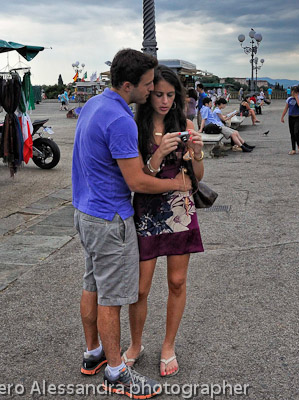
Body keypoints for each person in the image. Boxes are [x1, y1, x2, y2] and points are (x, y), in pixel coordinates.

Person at [73, 49, 190, 399]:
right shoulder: (122, 121)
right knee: (113, 297)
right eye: (148, 83)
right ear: (128, 85)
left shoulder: (95, 104)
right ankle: (116, 372)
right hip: (110, 218)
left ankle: (93, 352)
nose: (153, 88)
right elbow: (138, 182)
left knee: (92, 283)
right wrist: (176, 184)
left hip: (85, 211)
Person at [122, 65, 204, 378]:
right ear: (148, 94)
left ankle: (168, 345)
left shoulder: (185, 123)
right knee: (140, 288)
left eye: (171, 95)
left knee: (177, 281)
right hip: (147, 210)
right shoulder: (135, 127)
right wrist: (158, 156)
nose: (165, 101)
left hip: (181, 209)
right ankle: (136, 344)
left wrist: (196, 153)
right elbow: (137, 177)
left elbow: (198, 178)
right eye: (158, 94)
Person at [280, 85, 299, 155]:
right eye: (293, 92)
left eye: (295, 92)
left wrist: (297, 97)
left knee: (296, 132)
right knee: (292, 133)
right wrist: (282, 117)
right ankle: (293, 149)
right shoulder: (289, 99)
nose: (293, 93)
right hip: (291, 117)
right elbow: (286, 108)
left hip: (297, 117)